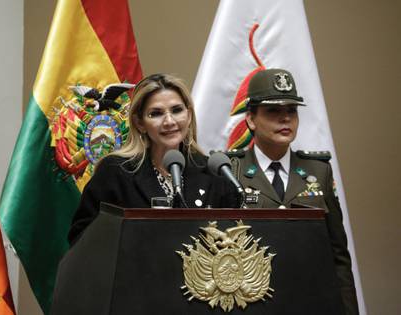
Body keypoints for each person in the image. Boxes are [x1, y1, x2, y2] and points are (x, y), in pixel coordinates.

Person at [228, 69, 359, 314]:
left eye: (291, 111)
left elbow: (338, 255)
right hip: (251, 304)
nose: (285, 119)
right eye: (273, 111)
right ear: (251, 119)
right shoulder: (231, 171)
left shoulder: (318, 172)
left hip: (312, 301)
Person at [68, 73, 239, 245]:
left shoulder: (213, 171)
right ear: (139, 123)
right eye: (156, 114)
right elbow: (82, 237)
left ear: (188, 115)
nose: (169, 121)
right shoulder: (116, 171)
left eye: (177, 110)